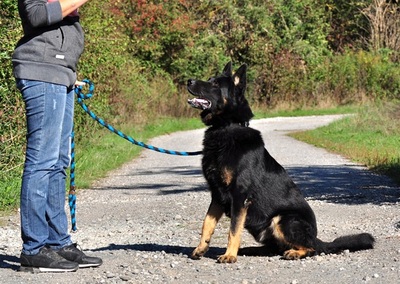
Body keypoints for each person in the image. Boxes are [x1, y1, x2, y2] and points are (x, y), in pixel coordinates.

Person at [12, 0, 102, 272]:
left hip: (60, 74)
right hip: (41, 72)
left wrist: (67, 72)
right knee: (42, 160)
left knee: (58, 162)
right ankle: (34, 249)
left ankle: (57, 241)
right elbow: (37, 15)